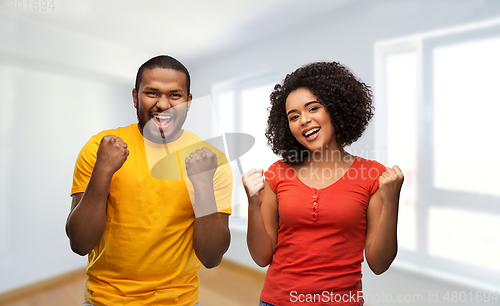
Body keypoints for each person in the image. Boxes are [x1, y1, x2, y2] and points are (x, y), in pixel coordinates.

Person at [66, 55, 232, 306]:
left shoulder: (211, 160)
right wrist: (103, 170)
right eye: (152, 93)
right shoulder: (99, 149)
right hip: (104, 300)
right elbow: (80, 243)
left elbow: (212, 257)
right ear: (135, 97)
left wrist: (202, 186)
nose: (163, 104)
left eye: (175, 95)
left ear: (188, 102)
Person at [243, 62, 404, 306]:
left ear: (335, 108)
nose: (303, 120)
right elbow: (261, 257)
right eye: (294, 116)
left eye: (313, 108)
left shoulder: (373, 175)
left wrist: (392, 203)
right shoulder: (278, 173)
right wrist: (253, 204)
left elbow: (379, 264)